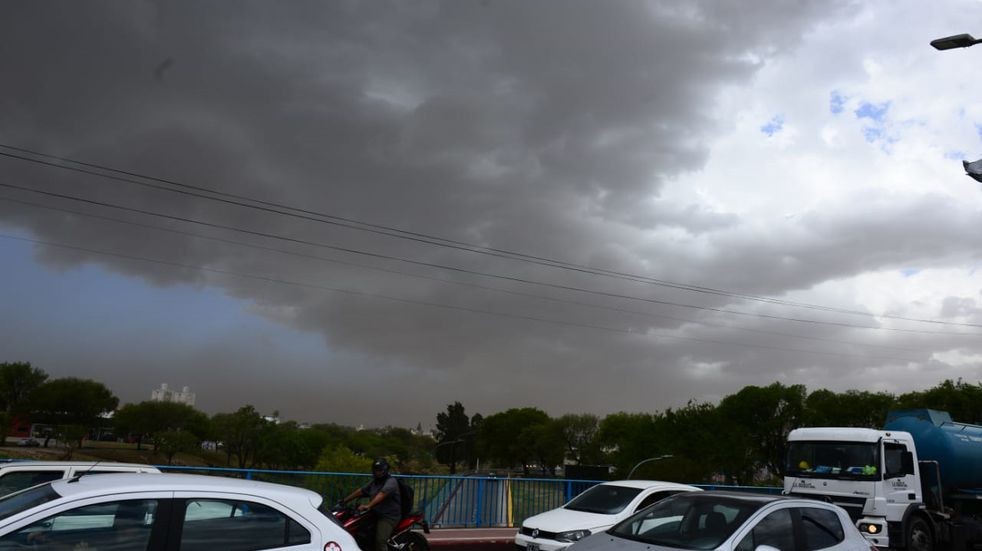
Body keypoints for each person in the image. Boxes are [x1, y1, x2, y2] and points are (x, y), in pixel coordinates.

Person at [341, 457, 402, 551]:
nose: (378, 472)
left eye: (380, 470)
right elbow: (361, 491)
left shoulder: (391, 482)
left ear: (385, 470)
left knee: (380, 541)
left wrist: (368, 505)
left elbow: (382, 494)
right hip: (375, 513)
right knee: (360, 532)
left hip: (388, 516)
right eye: (376, 470)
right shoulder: (375, 482)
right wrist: (344, 501)